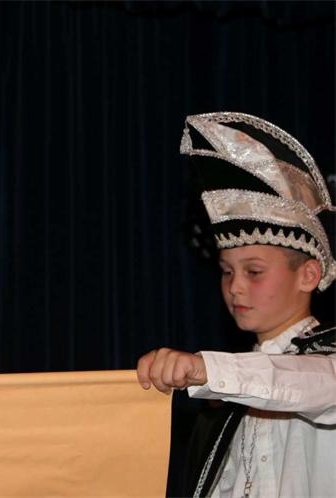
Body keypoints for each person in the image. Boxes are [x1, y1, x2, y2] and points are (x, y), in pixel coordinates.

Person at [136, 112, 336, 498]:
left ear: (308, 275)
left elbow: (302, 382)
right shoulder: (224, 408)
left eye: (254, 272)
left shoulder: (323, 369)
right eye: (227, 272)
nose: (236, 287)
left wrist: (204, 368)